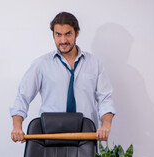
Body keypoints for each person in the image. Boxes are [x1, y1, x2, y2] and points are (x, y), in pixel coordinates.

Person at [10, 12, 115, 143]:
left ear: (77, 33)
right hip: (51, 135)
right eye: (58, 35)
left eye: (68, 34)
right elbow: (22, 96)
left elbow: (105, 99)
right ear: (53, 35)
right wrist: (17, 127)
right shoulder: (41, 64)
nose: (63, 40)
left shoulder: (95, 63)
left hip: (85, 136)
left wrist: (105, 126)